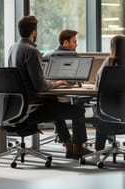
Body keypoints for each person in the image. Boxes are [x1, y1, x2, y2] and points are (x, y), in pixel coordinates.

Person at [8, 15, 92, 158]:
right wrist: (55, 83)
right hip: (32, 106)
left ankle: (68, 145)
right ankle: (77, 148)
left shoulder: (13, 48)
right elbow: (40, 85)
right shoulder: (31, 51)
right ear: (34, 32)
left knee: (54, 104)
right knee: (78, 111)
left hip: (16, 105)